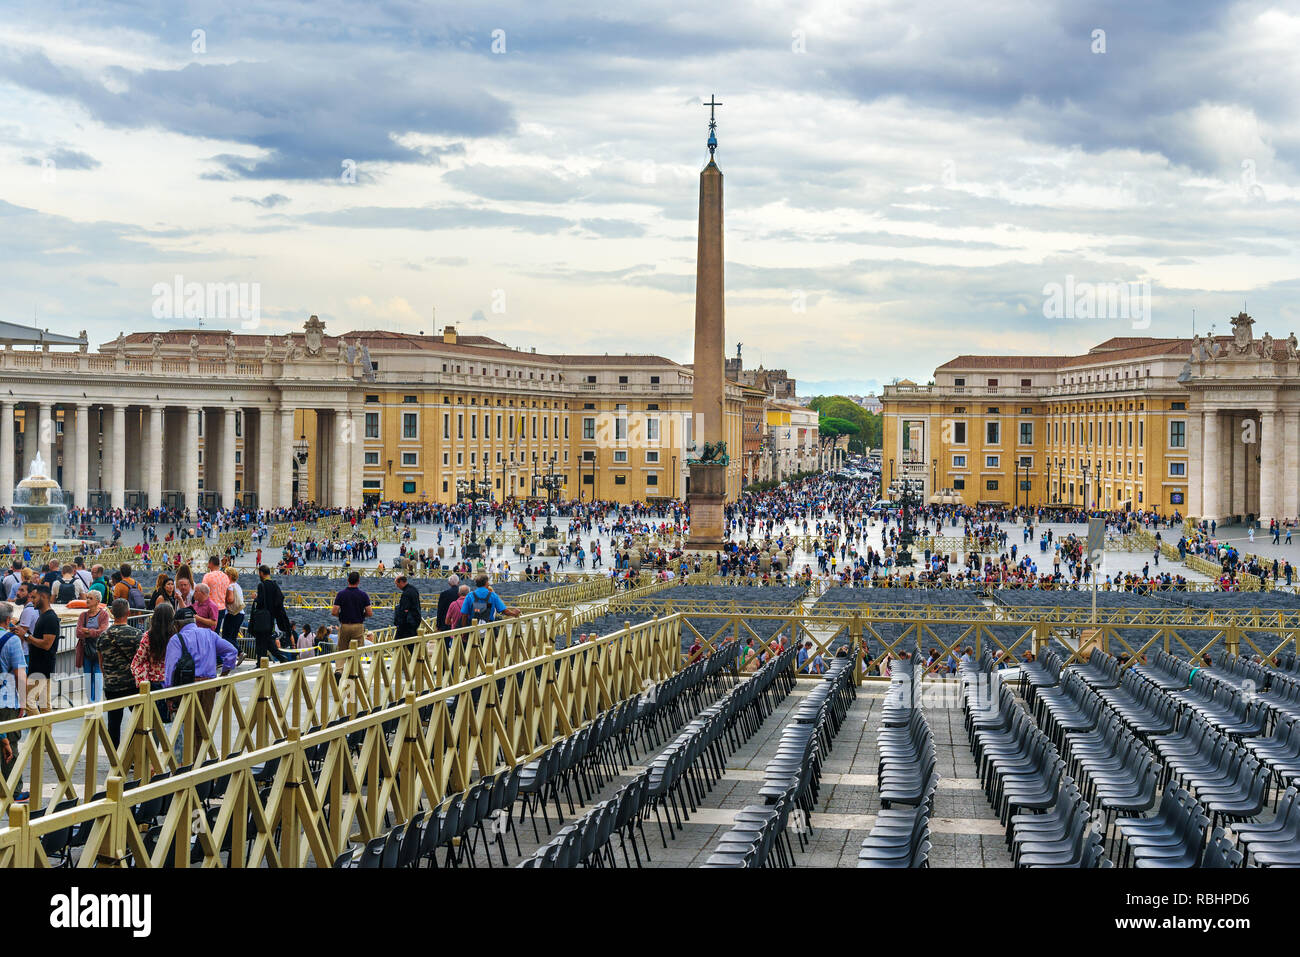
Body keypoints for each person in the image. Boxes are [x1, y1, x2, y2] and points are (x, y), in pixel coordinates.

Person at [162, 606, 237, 719]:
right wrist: (223, 676)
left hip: (186, 687)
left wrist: (169, 696)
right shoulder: (210, 634)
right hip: (209, 687)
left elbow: (171, 669)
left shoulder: (176, 639)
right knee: (203, 730)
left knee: (186, 728)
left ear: (177, 624)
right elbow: (232, 651)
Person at [99, 598, 142, 747]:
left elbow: (101, 663)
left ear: (112, 613)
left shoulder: (103, 636)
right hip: (131, 685)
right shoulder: (136, 634)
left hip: (112, 685)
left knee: (114, 722)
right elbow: (141, 660)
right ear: (128, 613)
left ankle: (115, 755)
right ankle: (130, 753)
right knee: (138, 719)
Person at [0, 602, 28, 802]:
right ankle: (13, 791)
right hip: (6, 699)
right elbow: (20, 674)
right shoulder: (12, 640)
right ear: (8, 620)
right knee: (10, 743)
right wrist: (23, 701)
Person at [26, 584, 60, 713]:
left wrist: (27, 637)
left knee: (28, 701)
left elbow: (47, 644)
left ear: (44, 596)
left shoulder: (50, 618)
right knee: (44, 704)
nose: (32, 600)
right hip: (42, 665)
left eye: (34, 597)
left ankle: (39, 732)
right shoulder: (44, 616)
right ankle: (45, 733)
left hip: (41, 667)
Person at [249, 566, 292, 664]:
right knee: (267, 640)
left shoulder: (261, 585)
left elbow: (260, 603)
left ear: (261, 573)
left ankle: (261, 663)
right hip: (271, 619)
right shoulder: (274, 585)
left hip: (262, 619)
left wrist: (255, 598)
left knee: (260, 641)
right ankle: (281, 658)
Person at [74, 590, 110, 703]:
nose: (87, 600)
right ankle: (90, 702)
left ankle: (97, 702)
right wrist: (93, 632)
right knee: (88, 677)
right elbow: (78, 632)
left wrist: (88, 632)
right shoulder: (83, 615)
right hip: (86, 651)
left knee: (98, 677)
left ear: (97, 601)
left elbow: (103, 631)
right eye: (87, 598)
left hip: (99, 651)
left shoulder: (104, 614)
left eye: (90, 598)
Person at [331, 571, 372, 664]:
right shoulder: (363, 595)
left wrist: (341, 615)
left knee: (342, 650)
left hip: (345, 625)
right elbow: (369, 613)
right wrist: (361, 615)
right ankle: (353, 671)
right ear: (358, 581)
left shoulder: (341, 594)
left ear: (347, 580)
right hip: (358, 625)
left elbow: (334, 612)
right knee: (357, 650)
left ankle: (339, 670)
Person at [202, 556, 230, 632]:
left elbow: (202, 591)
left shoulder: (208, 576)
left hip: (210, 608)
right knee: (216, 632)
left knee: (207, 632)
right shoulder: (225, 577)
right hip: (222, 608)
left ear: (211, 563)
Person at [394, 574, 422, 641]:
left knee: (399, 642)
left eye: (397, 584)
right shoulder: (414, 589)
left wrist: (398, 622)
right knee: (411, 642)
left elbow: (404, 609)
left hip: (407, 623)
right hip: (415, 619)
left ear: (401, 582)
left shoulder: (406, 593)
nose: (397, 586)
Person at [222, 568, 245, 647]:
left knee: (227, 637)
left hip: (232, 613)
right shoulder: (237, 586)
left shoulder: (230, 586)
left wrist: (224, 599)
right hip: (240, 613)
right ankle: (237, 653)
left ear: (230, 576)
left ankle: (239, 652)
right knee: (233, 636)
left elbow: (230, 599)